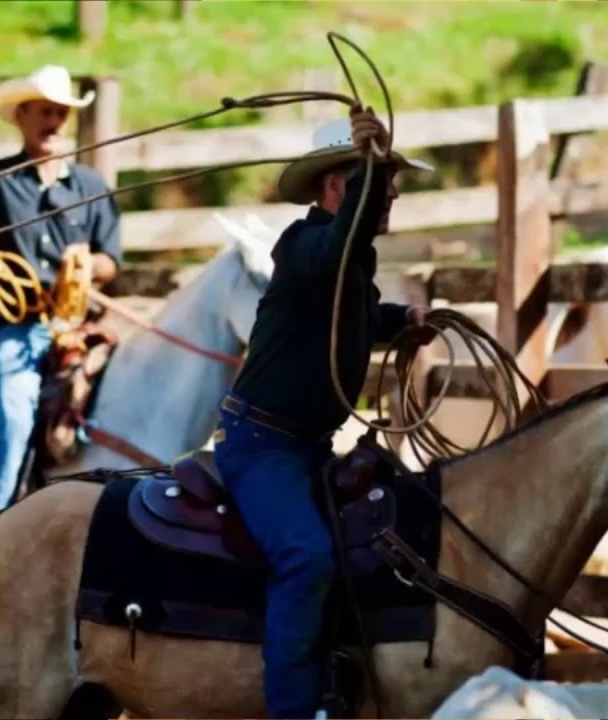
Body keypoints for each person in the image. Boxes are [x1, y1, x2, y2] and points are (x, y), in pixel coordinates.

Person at [213, 104, 434, 718]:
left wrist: (398, 322)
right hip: (261, 444)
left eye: (389, 182)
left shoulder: (344, 257)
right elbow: (338, 252)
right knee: (305, 556)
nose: (392, 194)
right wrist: (370, 164)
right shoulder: (304, 244)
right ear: (337, 187)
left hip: (304, 446)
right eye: (381, 182)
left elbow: (349, 313)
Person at [0, 64, 123, 527]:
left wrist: (87, 264)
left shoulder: (91, 187)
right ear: (21, 117)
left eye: (60, 113)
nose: (53, 122)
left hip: (79, 325)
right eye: (43, 112)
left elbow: (112, 262)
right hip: (17, 325)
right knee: (15, 420)